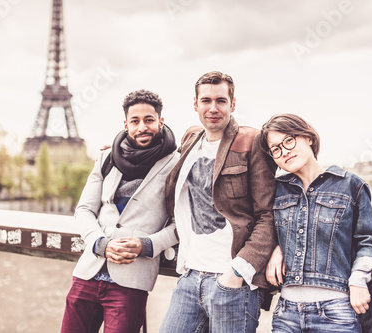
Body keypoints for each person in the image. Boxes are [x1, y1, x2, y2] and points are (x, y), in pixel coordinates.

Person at [159, 71, 277, 333]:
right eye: (206, 101)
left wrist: (237, 271)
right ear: (195, 104)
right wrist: (115, 147)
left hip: (231, 281)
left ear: (232, 104)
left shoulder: (251, 141)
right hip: (190, 275)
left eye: (221, 101)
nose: (213, 108)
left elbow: (268, 214)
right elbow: (155, 148)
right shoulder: (190, 138)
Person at [61, 90, 179, 333]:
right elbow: (84, 210)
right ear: (126, 125)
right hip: (88, 272)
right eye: (135, 121)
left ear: (161, 121)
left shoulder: (177, 163)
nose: (142, 127)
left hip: (131, 280)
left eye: (149, 120)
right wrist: (100, 243)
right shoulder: (106, 157)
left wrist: (147, 245)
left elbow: (184, 223)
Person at [261, 113, 372, 333]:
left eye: (289, 140)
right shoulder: (275, 190)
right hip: (286, 314)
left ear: (308, 137)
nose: (284, 151)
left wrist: (358, 280)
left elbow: (368, 241)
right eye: (276, 149)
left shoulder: (351, 185)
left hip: (336, 312)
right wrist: (276, 247)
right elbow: (261, 228)